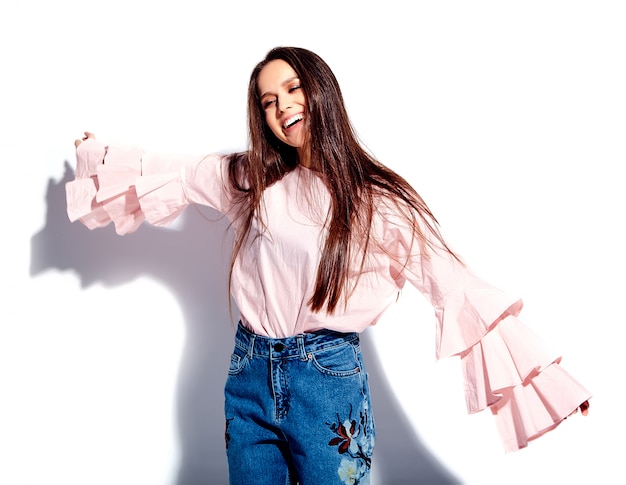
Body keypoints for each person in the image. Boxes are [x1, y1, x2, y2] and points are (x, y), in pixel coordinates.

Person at [66, 46, 590, 485]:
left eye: (293, 89)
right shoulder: (250, 179)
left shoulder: (373, 200)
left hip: (327, 380)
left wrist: (538, 380)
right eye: (269, 100)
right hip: (248, 373)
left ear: (321, 90)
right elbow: (175, 173)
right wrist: (96, 155)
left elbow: (451, 282)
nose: (283, 107)